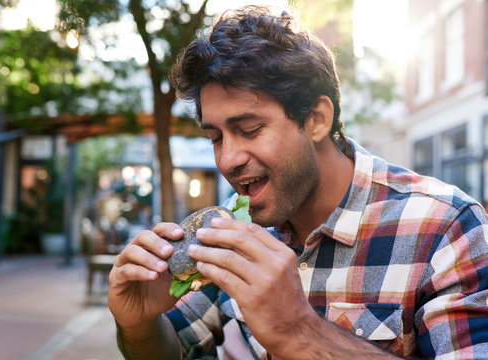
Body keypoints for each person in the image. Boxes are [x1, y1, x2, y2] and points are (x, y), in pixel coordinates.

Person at [108, 5, 488, 359]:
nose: (227, 159)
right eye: (216, 137)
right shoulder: (232, 228)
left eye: (250, 129)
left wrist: (299, 330)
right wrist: (139, 323)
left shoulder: (448, 229)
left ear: (317, 119)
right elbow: (175, 346)